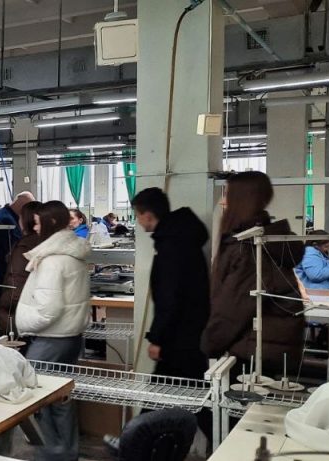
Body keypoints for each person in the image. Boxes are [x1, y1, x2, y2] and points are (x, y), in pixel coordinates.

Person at [130, 187, 213, 451]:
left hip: (179, 338)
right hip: (189, 333)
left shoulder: (171, 246)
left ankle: (133, 443)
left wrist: (157, 338)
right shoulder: (182, 239)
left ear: (148, 215)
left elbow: (169, 298)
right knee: (177, 394)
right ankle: (134, 442)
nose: (137, 221)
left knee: (192, 398)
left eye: (137, 215)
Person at [202, 171, 305, 377]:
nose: (222, 201)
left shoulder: (249, 247)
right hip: (268, 349)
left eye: (227, 194)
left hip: (252, 355)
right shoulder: (267, 242)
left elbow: (233, 309)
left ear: (241, 200)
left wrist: (207, 344)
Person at [16, 200, 91, 461]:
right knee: (60, 398)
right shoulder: (72, 255)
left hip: (51, 340)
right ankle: (65, 451)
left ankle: (53, 452)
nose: (35, 228)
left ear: (50, 224)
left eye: (38, 223)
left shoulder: (53, 262)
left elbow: (48, 310)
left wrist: (22, 323)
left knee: (40, 398)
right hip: (69, 337)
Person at [0, 201, 43, 335]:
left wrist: (5, 308)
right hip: (39, 307)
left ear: (25, 220)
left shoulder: (24, 247)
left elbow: (16, 281)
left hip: (21, 312)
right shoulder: (47, 243)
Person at [0, 192, 36, 306]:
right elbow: (13, 250)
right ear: (22, 205)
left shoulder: (6, 216)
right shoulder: (5, 220)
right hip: (6, 271)